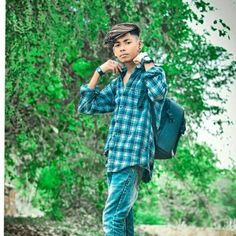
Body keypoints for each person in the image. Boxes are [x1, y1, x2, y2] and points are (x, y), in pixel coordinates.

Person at [78, 23, 168, 236]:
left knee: (112, 218)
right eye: (117, 45)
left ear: (140, 44)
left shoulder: (151, 73)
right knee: (123, 220)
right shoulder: (118, 83)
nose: (122, 48)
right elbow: (86, 106)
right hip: (115, 157)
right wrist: (99, 72)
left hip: (133, 156)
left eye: (128, 42)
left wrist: (147, 62)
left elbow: (158, 94)